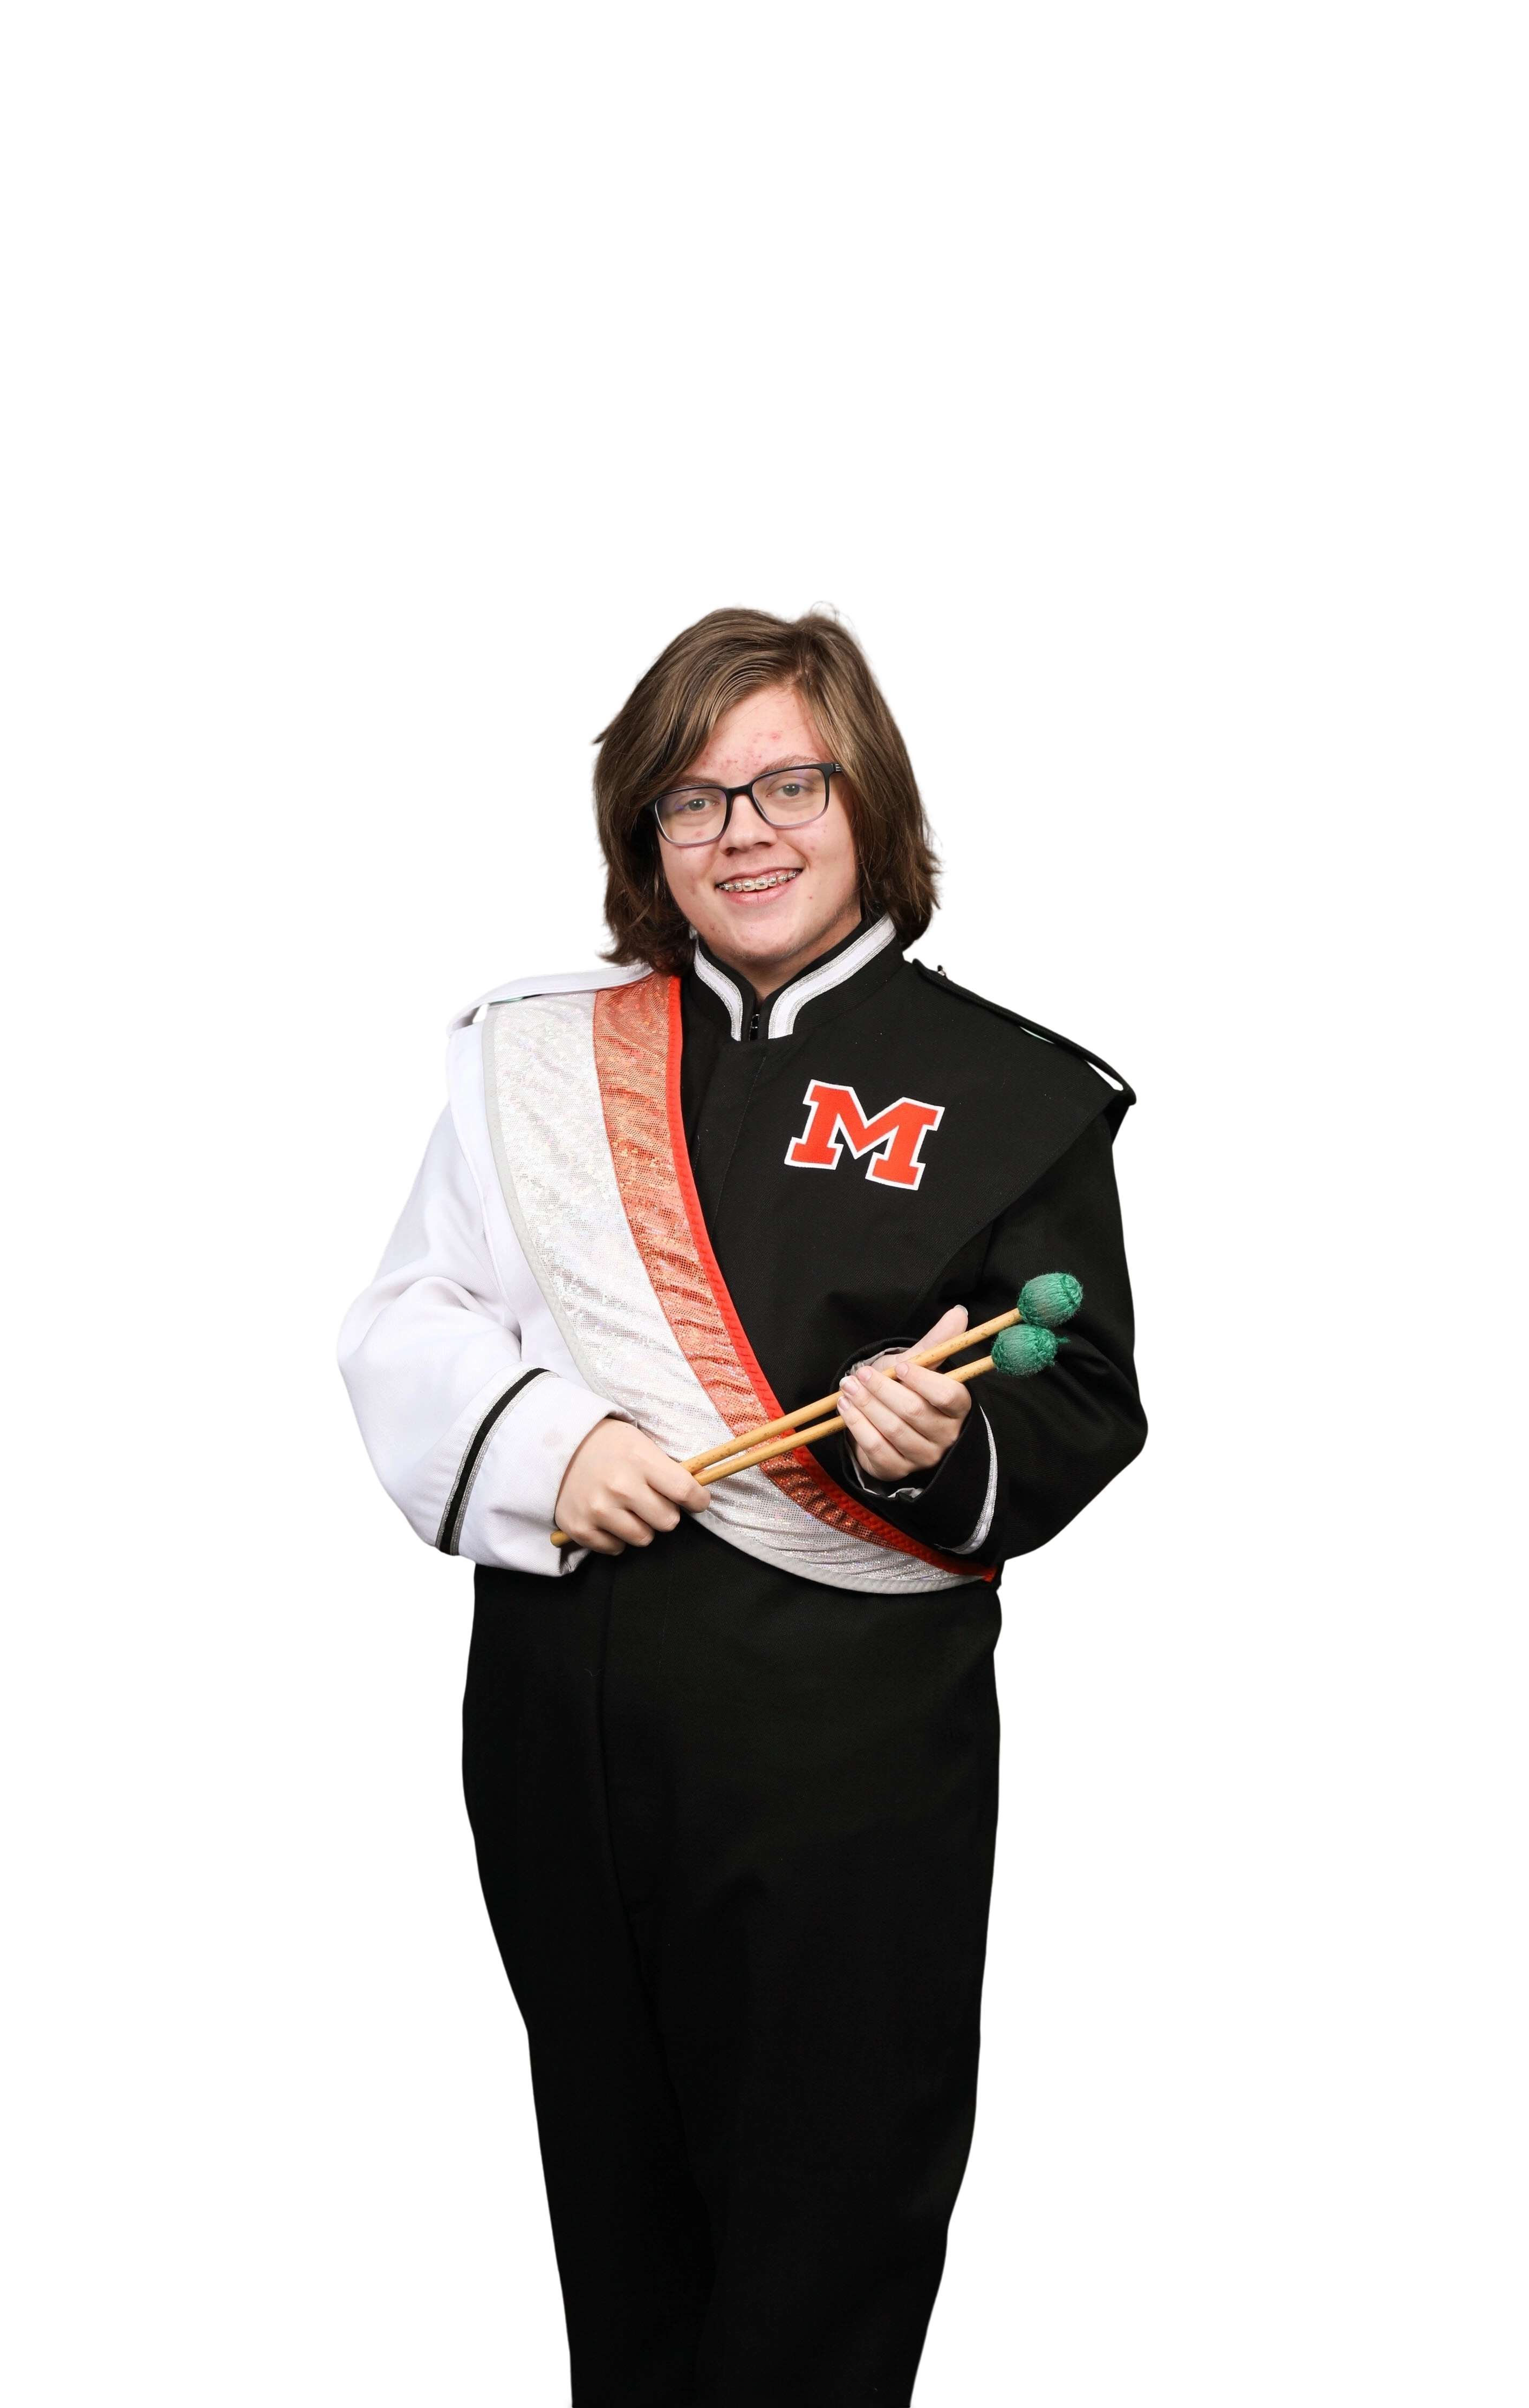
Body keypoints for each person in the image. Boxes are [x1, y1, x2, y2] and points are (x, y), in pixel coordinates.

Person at [335, 600, 1146, 2408]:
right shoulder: (542, 1058)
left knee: (822, 2254)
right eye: (692, 799)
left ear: (872, 800)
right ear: (647, 836)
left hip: (843, 1777)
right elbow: (407, 1318)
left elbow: (1087, 1393)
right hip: (555, 1746)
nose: (743, 833)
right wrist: (543, 1443)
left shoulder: (1018, 1091)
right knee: (616, 2246)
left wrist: (932, 1446)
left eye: (790, 783)